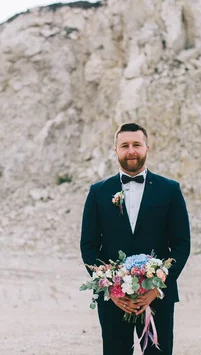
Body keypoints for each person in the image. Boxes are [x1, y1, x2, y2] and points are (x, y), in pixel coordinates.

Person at [80, 122, 190, 355]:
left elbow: (181, 244)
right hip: (113, 301)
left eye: (136, 145)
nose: (131, 150)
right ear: (116, 150)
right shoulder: (98, 192)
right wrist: (110, 289)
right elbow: (88, 246)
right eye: (125, 145)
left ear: (147, 148)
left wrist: (157, 288)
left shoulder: (170, 190)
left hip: (157, 298)